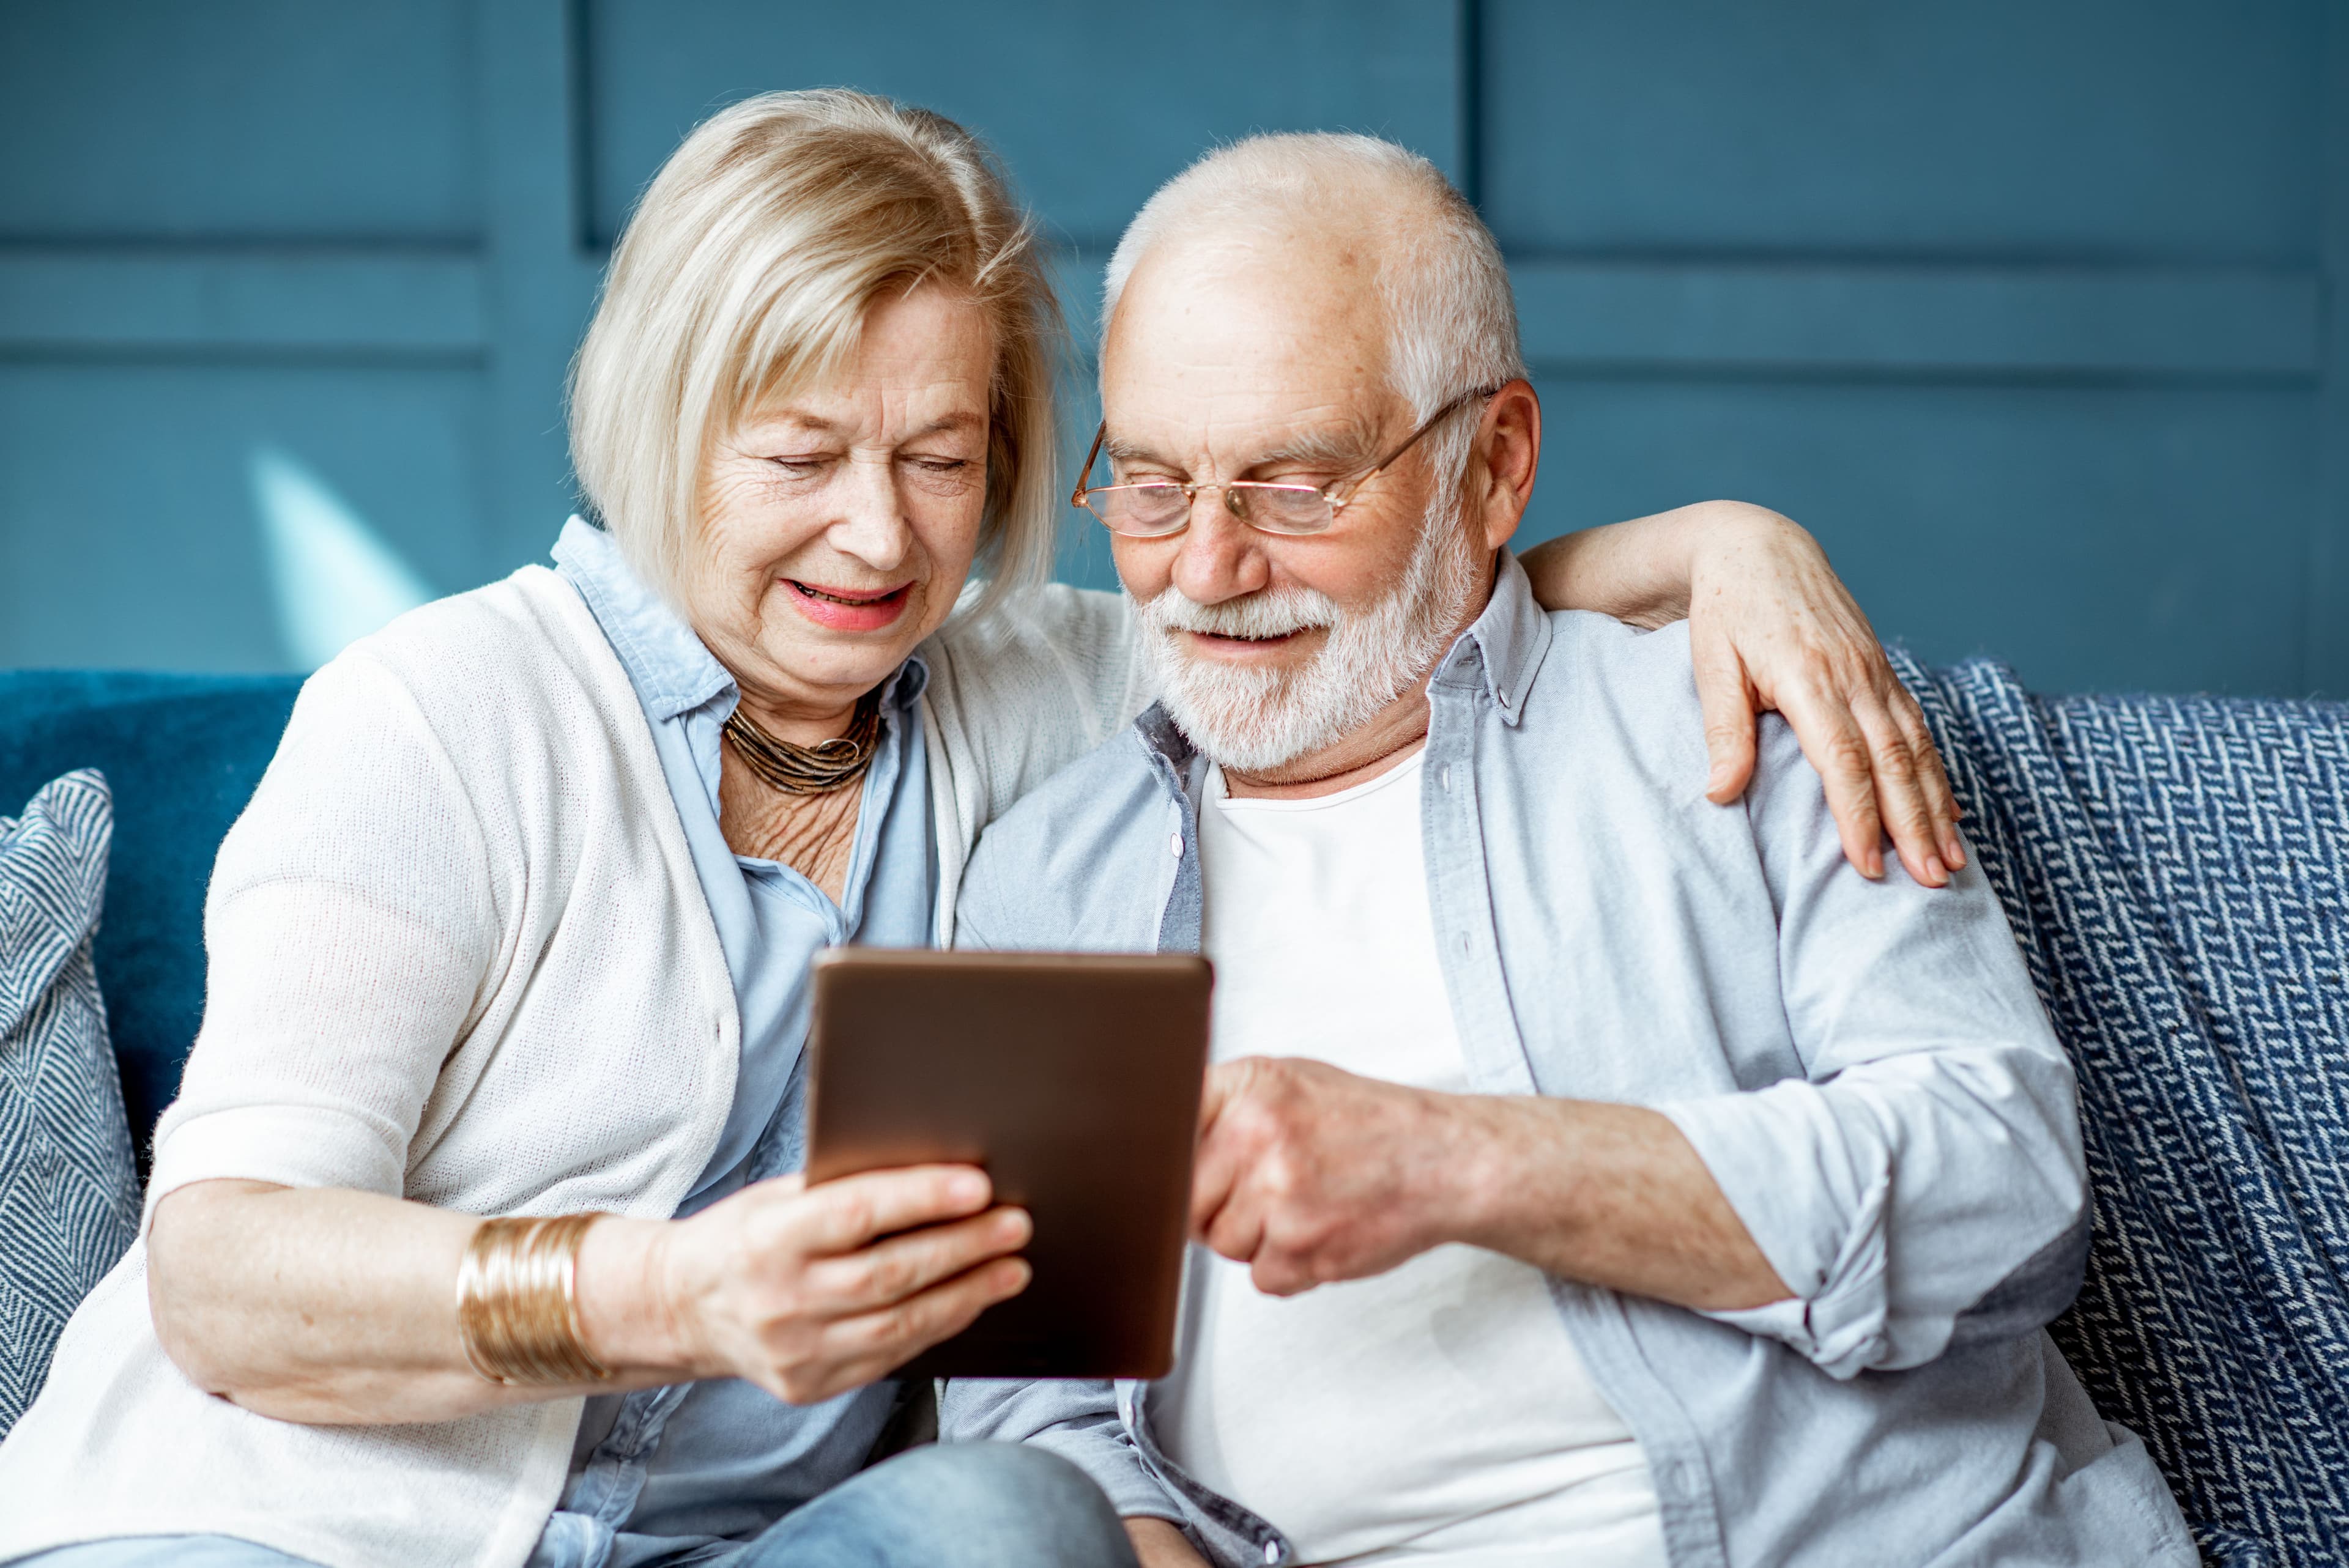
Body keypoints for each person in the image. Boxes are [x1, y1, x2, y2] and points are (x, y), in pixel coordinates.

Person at [0, 94, 1953, 1568]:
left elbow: (1332, 592)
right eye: (801, 455)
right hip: (281, 1525)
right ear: (664, 421)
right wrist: (666, 1294)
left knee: (1015, 1517)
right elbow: (228, 1277)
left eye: (941, 459)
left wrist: (1719, 546)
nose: (877, 536)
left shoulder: (1024, 688)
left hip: (762, 1551)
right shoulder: (446, 711)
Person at [941, 133, 2198, 1567]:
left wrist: (1464, 1161)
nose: (1207, 569)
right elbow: (1033, 1398)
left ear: (1496, 465)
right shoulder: (1047, 877)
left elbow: (2006, 1192)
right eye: (1153, 484)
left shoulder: (1736, 714)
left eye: (1296, 488)